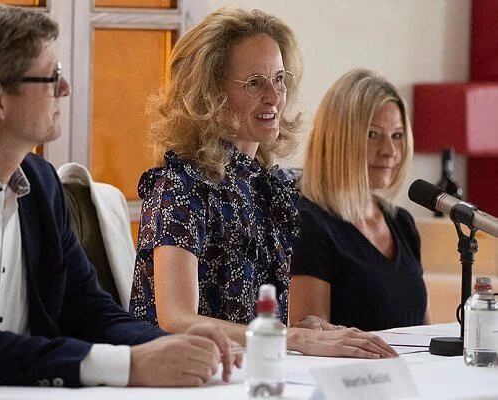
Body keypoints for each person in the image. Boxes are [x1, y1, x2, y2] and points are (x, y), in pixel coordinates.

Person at [0, 4, 241, 387]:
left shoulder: (41, 182)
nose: (64, 89)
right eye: (51, 77)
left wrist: (173, 347)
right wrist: (126, 365)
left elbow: (88, 310)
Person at [129, 7, 397, 359]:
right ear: (210, 94)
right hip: (186, 377)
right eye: (255, 82)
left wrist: (305, 327)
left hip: (252, 374)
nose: (274, 96)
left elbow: (258, 320)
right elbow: (175, 319)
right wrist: (294, 339)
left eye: (280, 78)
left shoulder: (268, 186)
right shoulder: (178, 185)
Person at [289, 69, 431, 332]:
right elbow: (310, 344)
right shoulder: (309, 225)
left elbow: (424, 332)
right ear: (338, 138)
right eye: (373, 134)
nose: (389, 151)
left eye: (397, 136)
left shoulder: (403, 223)